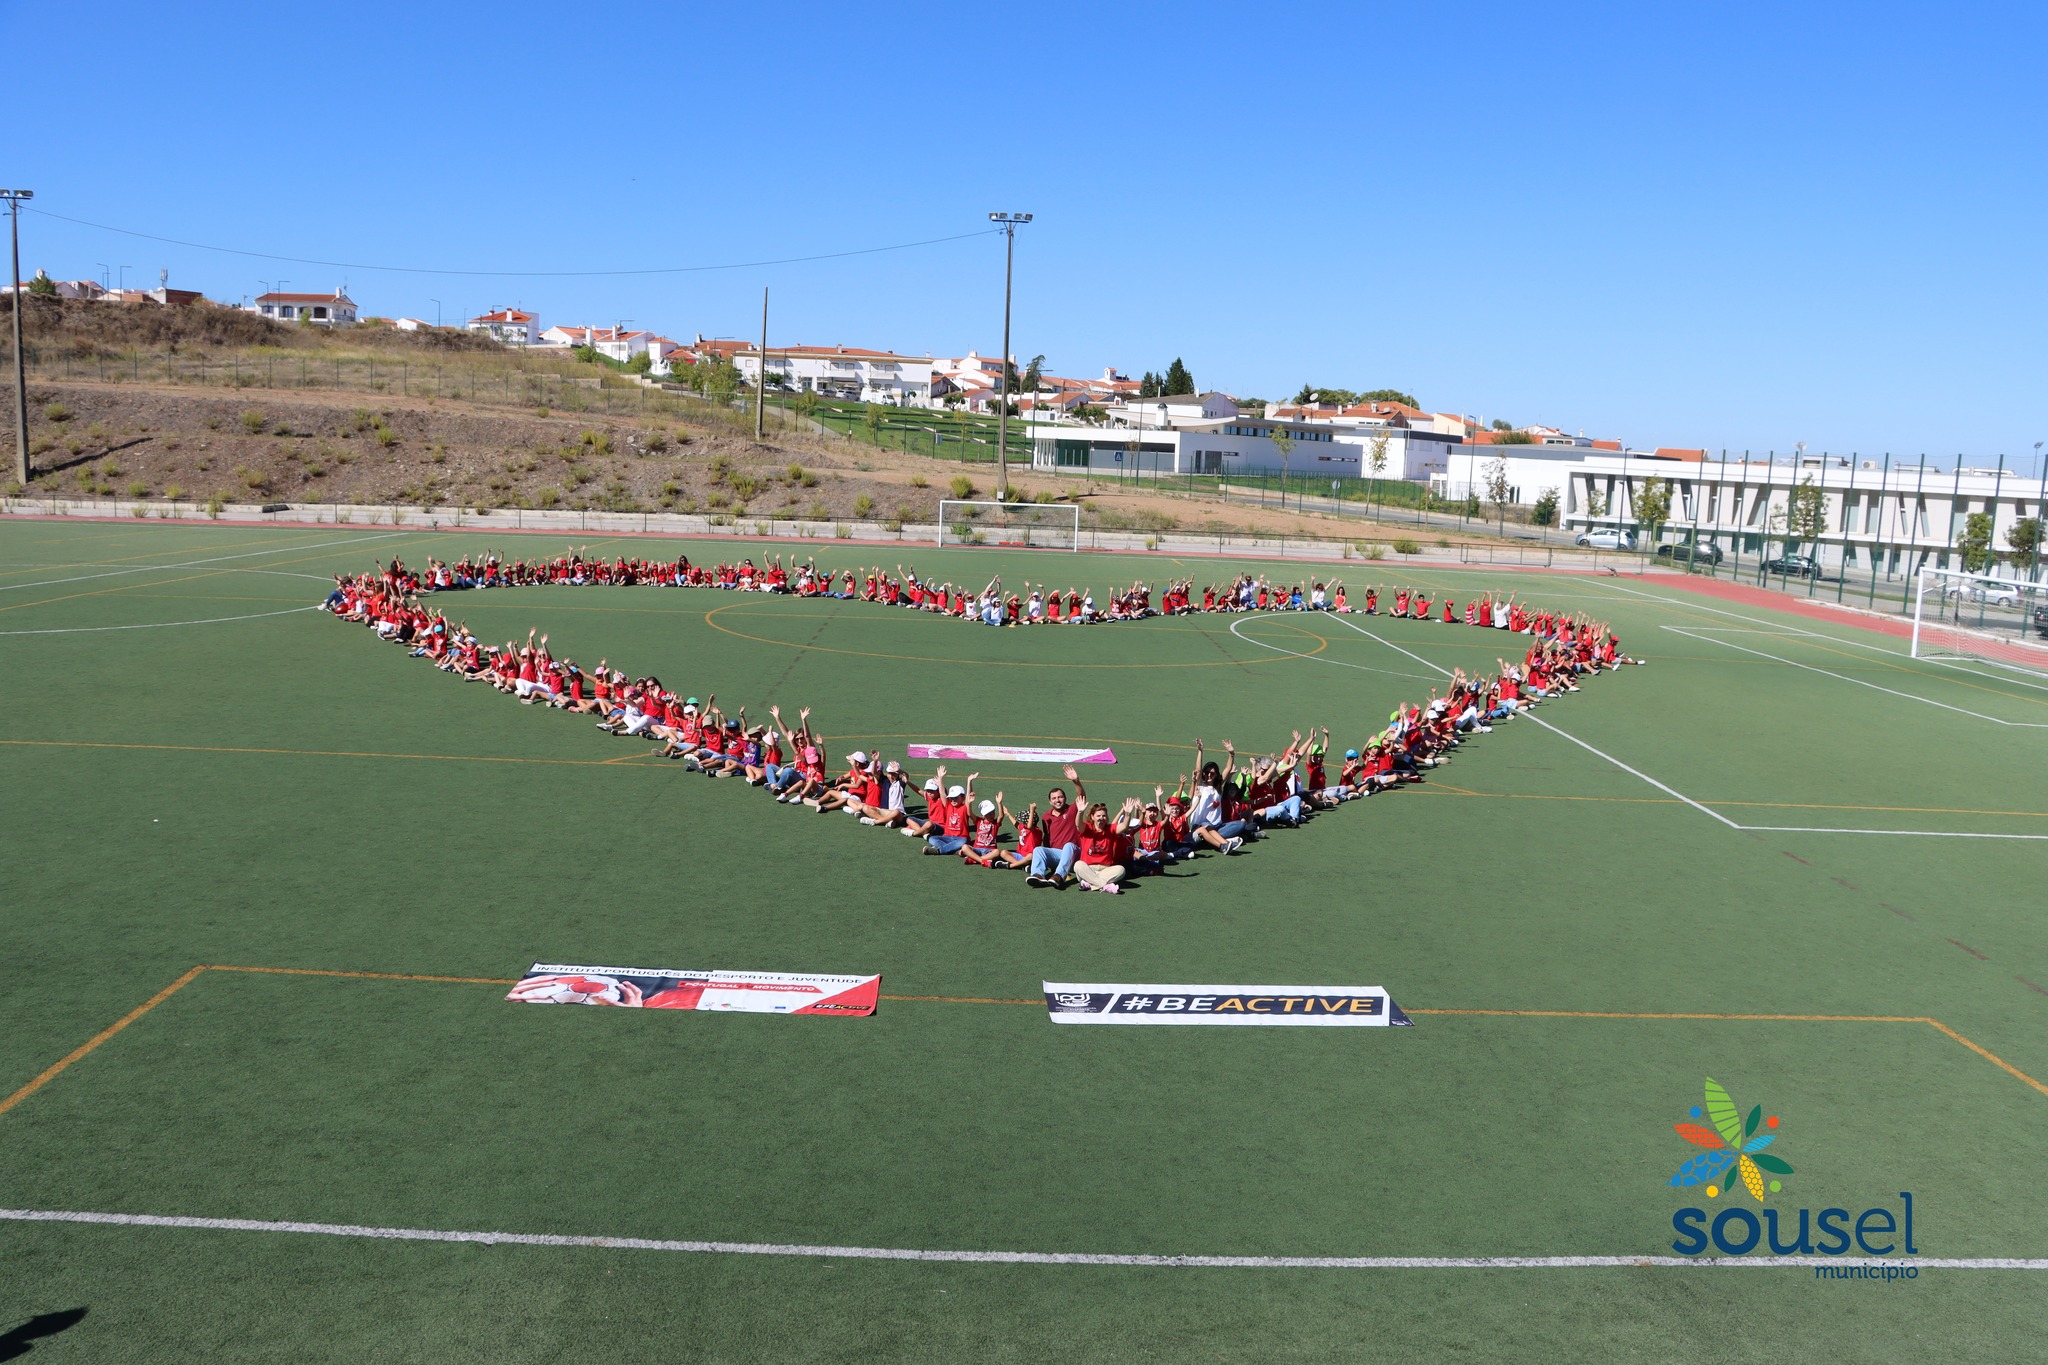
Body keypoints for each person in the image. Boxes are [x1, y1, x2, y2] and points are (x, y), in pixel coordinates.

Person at [1025, 764, 1087, 887]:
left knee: (1069, 846)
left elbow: (1081, 797)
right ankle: (1038, 875)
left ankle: (1059, 876)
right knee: (1038, 849)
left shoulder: (1072, 810)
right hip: (1056, 855)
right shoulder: (1046, 817)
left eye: (1060, 797)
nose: (1057, 800)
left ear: (1065, 798)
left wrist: (1076, 781)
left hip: (1074, 854)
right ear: (1050, 801)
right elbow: (1046, 837)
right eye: (1054, 798)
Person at [1073, 799, 1138, 893]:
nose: (1101, 818)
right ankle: (1105, 886)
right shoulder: (1087, 828)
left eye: (1104, 816)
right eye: (1098, 815)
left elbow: (1123, 826)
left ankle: (1089, 883)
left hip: (1105, 870)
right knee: (1078, 865)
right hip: (1088, 868)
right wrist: (1080, 812)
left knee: (1121, 870)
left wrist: (1128, 814)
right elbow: (1078, 825)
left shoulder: (1110, 829)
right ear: (1092, 817)